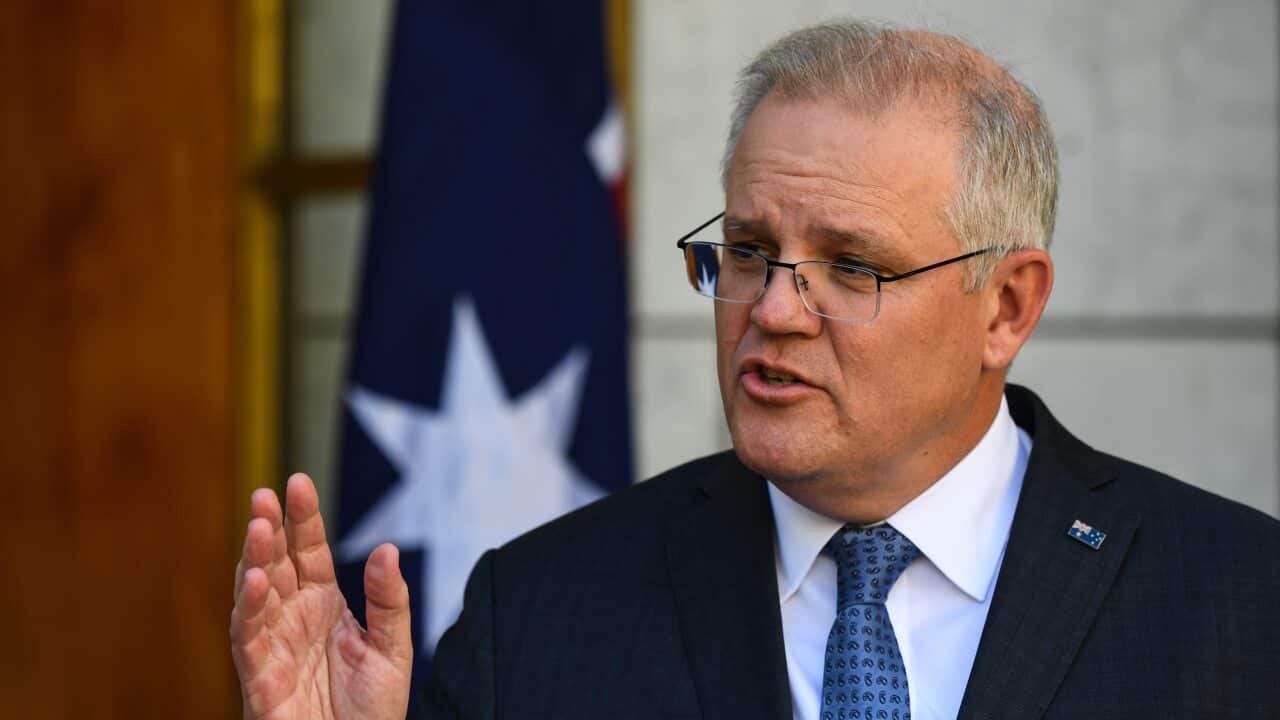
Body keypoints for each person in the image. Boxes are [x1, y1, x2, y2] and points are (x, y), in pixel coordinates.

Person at [230, 20, 1280, 719]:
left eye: (852, 266)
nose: (772, 311)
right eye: (745, 252)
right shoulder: (539, 613)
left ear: (1004, 306)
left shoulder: (1235, 601)